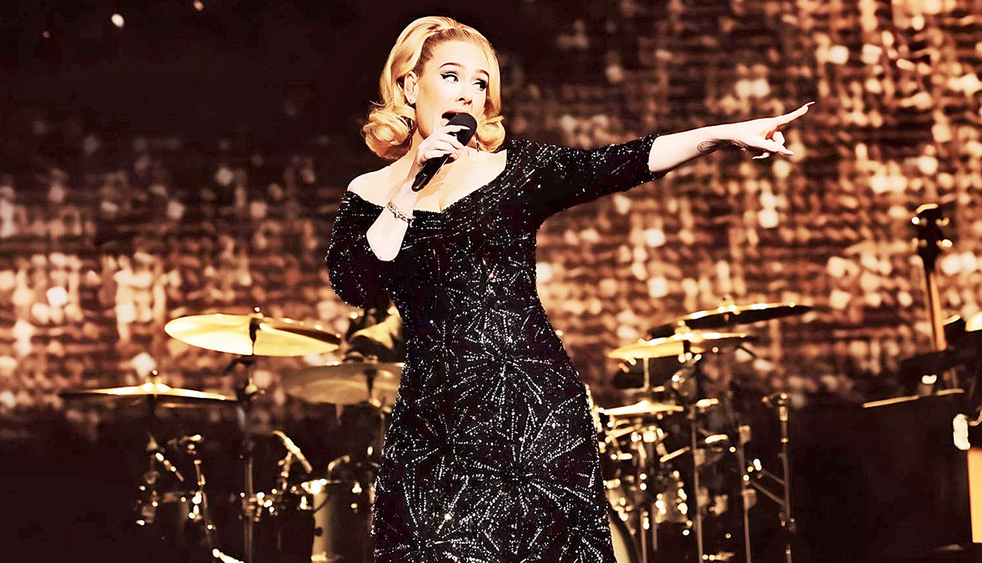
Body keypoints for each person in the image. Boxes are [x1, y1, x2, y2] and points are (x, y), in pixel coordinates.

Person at [326, 15, 810, 562]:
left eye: (480, 83)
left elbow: (620, 162)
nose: (467, 93)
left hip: (533, 410)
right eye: (452, 76)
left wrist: (719, 136)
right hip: (433, 422)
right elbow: (356, 284)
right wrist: (410, 185)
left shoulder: (515, 171)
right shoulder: (369, 192)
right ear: (412, 86)